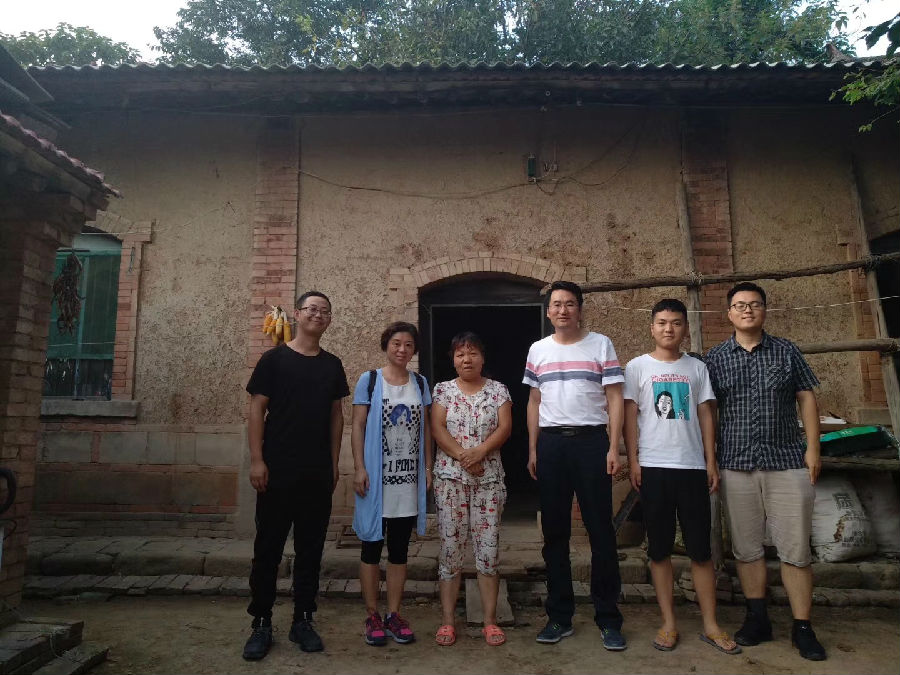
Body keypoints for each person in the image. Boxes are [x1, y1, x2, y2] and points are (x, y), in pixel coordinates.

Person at [704, 282, 825, 661]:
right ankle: (758, 619)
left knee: (796, 550)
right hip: (736, 465)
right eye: (740, 305)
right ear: (729, 313)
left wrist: (813, 448)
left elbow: (806, 396)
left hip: (787, 462)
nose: (747, 310)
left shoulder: (786, 351)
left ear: (764, 310)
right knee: (747, 548)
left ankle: (802, 627)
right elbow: (708, 411)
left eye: (754, 304)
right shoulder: (715, 358)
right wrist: (710, 460)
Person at [623, 298, 740, 655]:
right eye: (662, 322)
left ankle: (711, 624)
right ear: (652, 327)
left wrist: (710, 461)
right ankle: (669, 623)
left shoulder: (697, 368)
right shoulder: (637, 367)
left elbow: (706, 415)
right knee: (659, 549)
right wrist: (634, 460)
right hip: (654, 467)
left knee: (700, 550)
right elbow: (630, 417)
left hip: (691, 468)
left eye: (675, 323)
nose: (668, 329)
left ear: (685, 328)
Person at [242, 291, 349, 661]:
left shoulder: (332, 365)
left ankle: (303, 619)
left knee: (311, 550)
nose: (318, 315)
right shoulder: (273, 360)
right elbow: (257, 410)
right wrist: (257, 460)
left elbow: (336, 416)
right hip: (276, 470)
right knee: (267, 549)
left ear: (329, 320)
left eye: (325, 311)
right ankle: (261, 622)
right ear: (297, 314)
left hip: (316, 473)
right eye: (312, 309)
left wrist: (334, 463)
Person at [523, 280, 627, 650]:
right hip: (551, 445)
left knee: (601, 531)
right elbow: (534, 401)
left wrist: (613, 447)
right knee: (555, 533)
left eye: (569, 303)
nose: (563, 310)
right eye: (556, 304)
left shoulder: (600, 344)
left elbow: (615, 397)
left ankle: (608, 618)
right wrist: (533, 449)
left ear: (580, 309)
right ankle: (559, 616)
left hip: (591, 443)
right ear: (548, 312)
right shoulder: (538, 350)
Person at [351, 322, 432, 647]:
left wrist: (427, 467)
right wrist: (359, 467)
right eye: (396, 343)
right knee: (371, 547)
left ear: (414, 350)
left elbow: (426, 428)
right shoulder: (369, 380)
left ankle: (394, 614)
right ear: (386, 345)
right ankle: (372, 614)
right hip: (375, 480)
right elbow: (358, 425)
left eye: (408, 345)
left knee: (399, 549)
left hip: (406, 482)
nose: (402, 349)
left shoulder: (420, 383)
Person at [431, 332, 513, 647]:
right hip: (450, 482)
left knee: (488, 553)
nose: (467, 359)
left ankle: (490, 622)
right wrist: (464, 457)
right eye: (460, 354)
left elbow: (505, 427)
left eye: (473, 353)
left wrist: (480, 453)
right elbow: (437, 428)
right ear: (453, 359)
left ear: (482, 357)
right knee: (451, 551)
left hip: (488, 482)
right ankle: (448, 621)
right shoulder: (443, 390)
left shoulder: (498, 390)